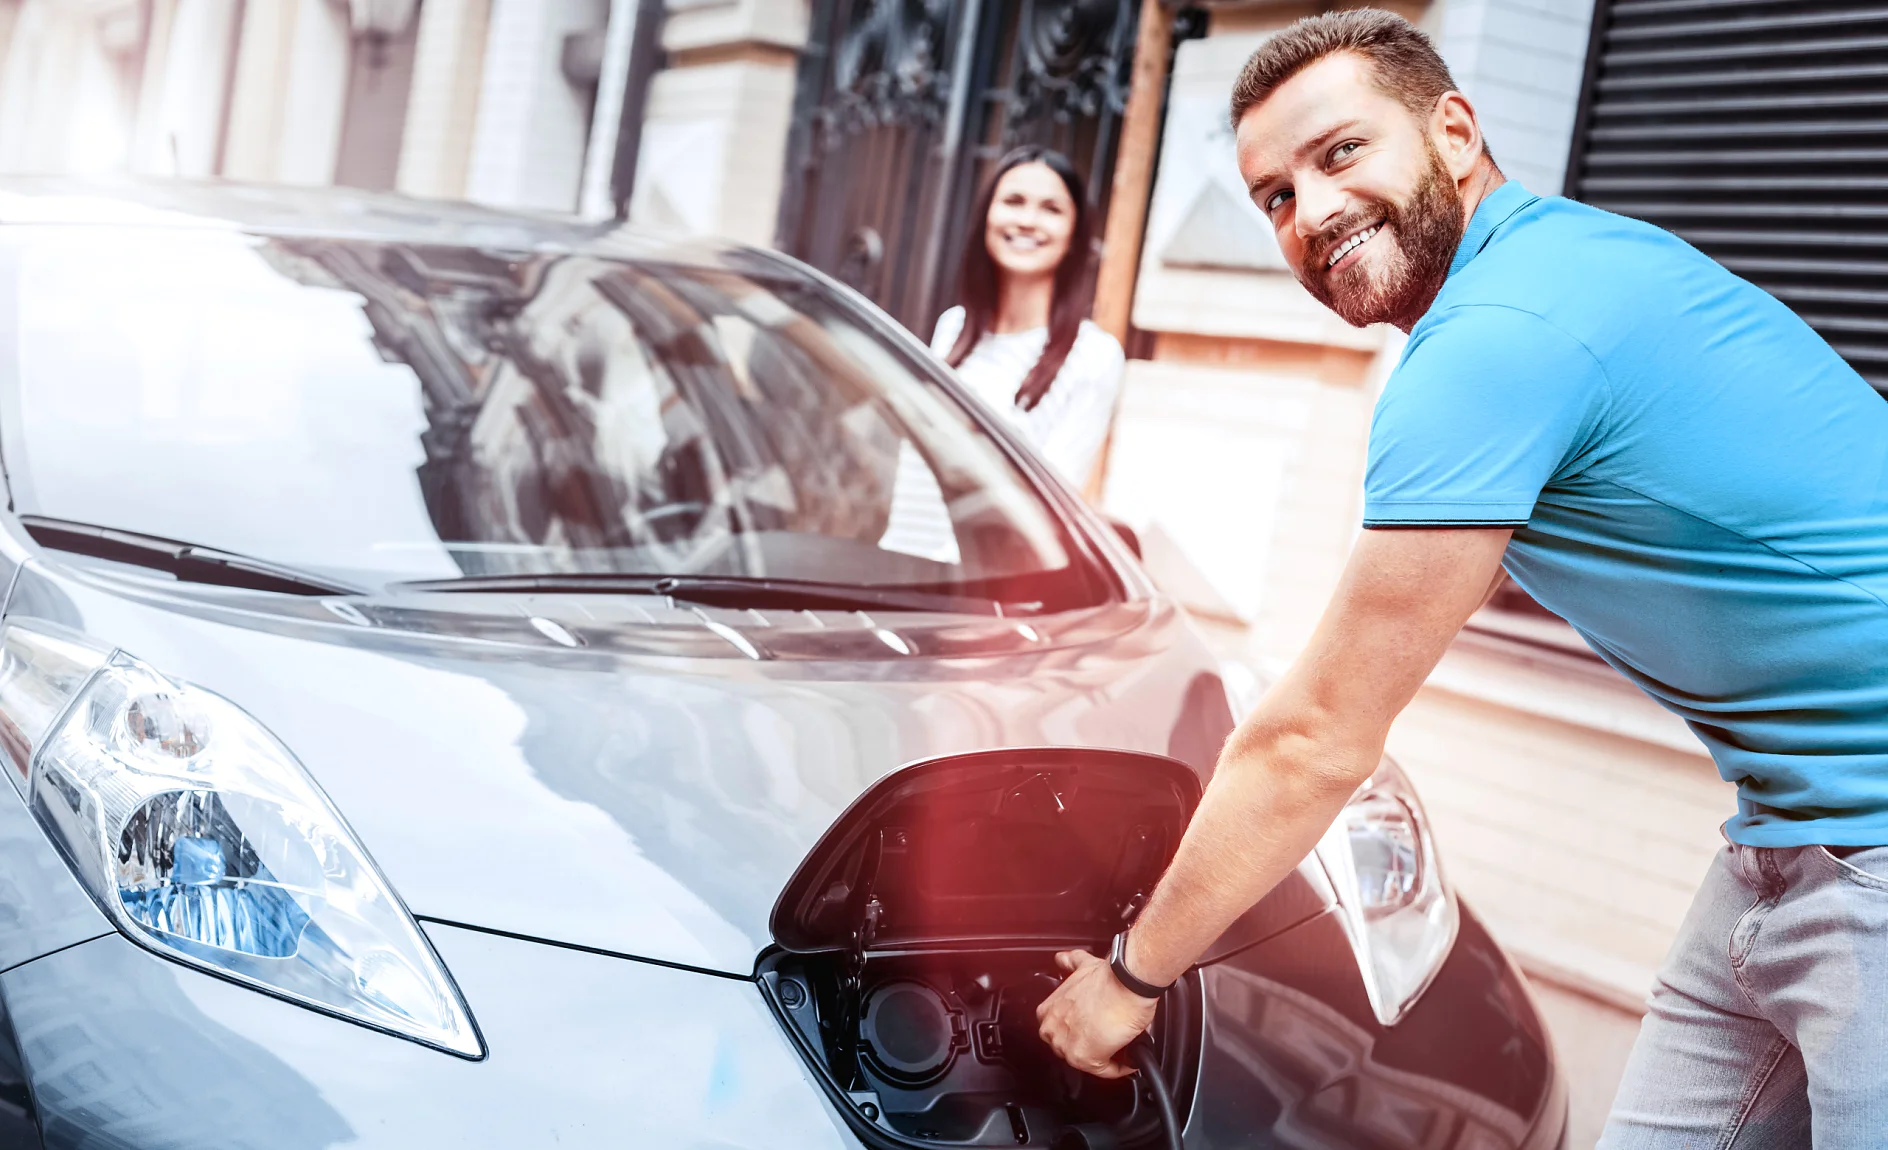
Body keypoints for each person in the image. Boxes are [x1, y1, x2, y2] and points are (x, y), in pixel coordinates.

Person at [1034, 10, 1888, 1147]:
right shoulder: (1564, 262)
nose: (1314, 211)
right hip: (1793, 832)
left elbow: (1317, 737)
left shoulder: (1497, 334)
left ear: (1452, 129)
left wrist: (1129, 982)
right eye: (1275, 196)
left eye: (1341, 153)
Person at [931, 146, 1125, 487]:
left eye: (1051, 209)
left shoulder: (1094, 356)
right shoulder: (953, 327)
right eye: (1014, 201)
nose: (1027, 221)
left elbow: (1052, 502)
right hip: (898, 541)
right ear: (986, 216)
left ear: (1074, 235)